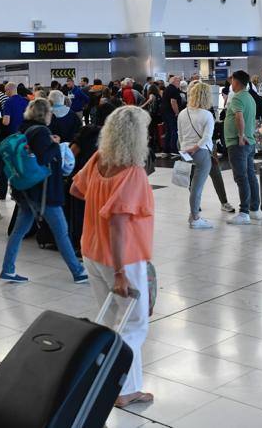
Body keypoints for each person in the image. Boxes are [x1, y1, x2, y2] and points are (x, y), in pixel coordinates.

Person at [70, 105, 155, 408]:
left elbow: (76, 189)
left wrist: (99, 199)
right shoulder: (132, 174)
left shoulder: (98, 160)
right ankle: (118, 383)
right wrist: (120, 272)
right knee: (135, 323)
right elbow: (118, 224)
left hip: (92, 250)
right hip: (123, 258)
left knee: (111, 320)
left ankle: (120, 385)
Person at [1, 98, 88, 284]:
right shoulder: (41, 132)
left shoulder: (23, 128)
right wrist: (55, 144)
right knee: (61, 232)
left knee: (18, 231)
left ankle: (8, 269)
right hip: (43, 192)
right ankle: (78, 271)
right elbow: (44, 158)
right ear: (45, 114)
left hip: (26, 190)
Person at [178, 81, 216, 229]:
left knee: (192, 185)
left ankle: (193, 214)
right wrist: (195, 147)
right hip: (201, 152)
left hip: (185, 152)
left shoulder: (183, 113)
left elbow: (180, 134)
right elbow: (207, 137)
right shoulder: (207, 115)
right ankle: (195, 217)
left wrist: (185, 148)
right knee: (197, 187)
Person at [225, 71, 260, 225]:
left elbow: (239, 117)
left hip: (238, 143)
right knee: (250, 175)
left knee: (241, 177)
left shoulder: (237, 97)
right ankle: (254, 208)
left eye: (232, 80)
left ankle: (244, 212)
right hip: (249, 142)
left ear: (237, 82)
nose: (231, 84)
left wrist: (240, 136)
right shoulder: (250, 97)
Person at [160, 75, 183, 157]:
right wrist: (177, 113)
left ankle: (166, 150)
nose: (179, 83)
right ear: (175, 82)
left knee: (168, 131)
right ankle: (174, 149)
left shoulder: (167, 89)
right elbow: (173, 102)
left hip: (164, 112)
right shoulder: (174, 90)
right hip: (171, 113)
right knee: (174, 130)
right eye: (178, 81)